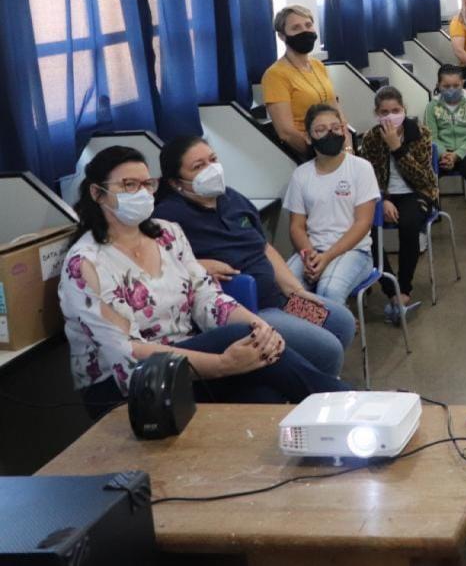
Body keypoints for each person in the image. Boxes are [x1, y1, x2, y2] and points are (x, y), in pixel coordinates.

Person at [62, 147, 347, 417]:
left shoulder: (211, 211)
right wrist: (226, 361)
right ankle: (346, 403)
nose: (211, 170)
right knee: (322, 348)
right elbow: (126, 352)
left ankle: (336, 415)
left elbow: (254, 255)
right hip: (134, 378)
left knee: (335, 325)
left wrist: (282, 305)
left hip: (277, 302)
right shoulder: (88, 262)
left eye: (147, 184)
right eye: (129, 185)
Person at [154, 137, 356, 378]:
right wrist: (197, 265)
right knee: (327, 349)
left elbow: (263, 247)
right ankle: (313, 388)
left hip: (279, 299)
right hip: (249, 311)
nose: (211, 169)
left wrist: (295, 291)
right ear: (176, 182)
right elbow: (159, 268)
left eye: (213, 160)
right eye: (198, 166)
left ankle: (306, 377)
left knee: (341, 322)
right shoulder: (168, 218)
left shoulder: (232, 198)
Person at [283, 104, 379, 304]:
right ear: (308, 137)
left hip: (355, 251)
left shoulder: (361, 168)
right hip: (312, 250)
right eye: (321, 130)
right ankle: (313, 323)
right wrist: (309, 255)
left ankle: (337, 323)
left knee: (329, 291)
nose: (331, 134)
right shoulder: (301, 174)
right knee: (283, 289)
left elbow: (363, 223)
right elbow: (296, 227)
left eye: (336, 128)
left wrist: (326, 257)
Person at [358, 86, 439, 317]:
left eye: (395, 110)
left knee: (409, 224)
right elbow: (368, 176)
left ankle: (404, 288)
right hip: (382, 195)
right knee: (365, 230)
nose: (390, 116)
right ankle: (390, 289)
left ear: (404, 109)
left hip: (416, 192)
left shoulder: (420, 133)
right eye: (384, 112)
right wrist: (383, 199)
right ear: (377, 114)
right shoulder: (372, 138)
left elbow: (423, 178)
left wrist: (397, 147)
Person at [262, 5, 350, 155]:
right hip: (307, 153)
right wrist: (322, 156)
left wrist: (347, 149)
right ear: (282, 36)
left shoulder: (318, 65)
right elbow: (286, 132)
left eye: (308, 25)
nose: (305, 31)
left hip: (336, 147)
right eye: (296, 28)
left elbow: (336, 111)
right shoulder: (275, 75)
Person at [425, 64, 466, 251]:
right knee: (422, 174)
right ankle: (423, 227)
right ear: (438, 85)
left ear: (462, 84)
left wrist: (457, 155)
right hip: (442, 153)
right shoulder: (432, 107)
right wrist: (444, 153)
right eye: (446, 86)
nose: (451, 90)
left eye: (456, 85)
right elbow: (430, 136)